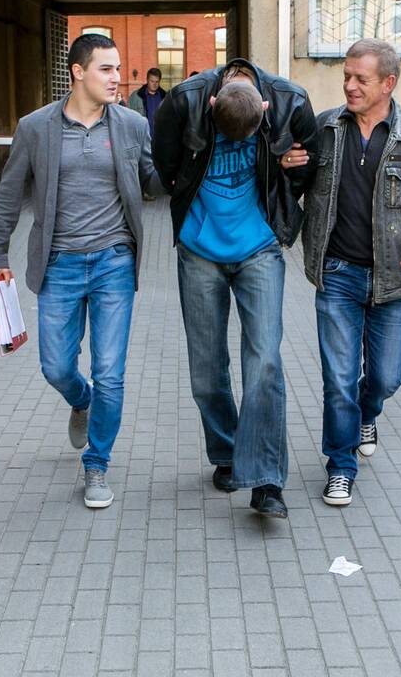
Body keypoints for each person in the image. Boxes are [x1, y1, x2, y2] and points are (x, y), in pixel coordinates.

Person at [0, 33, 160, 510]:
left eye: (118, 68)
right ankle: (81, 400)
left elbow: (154, 179)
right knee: (56, 367)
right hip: (58, 263)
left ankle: (96, 464)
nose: (117, 78)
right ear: (78, 72)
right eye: (106, 69)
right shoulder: (36, 128)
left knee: (111, 373)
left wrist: (192, 155)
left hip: (113, 262)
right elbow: (8, 193)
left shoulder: (132, 125)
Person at [284, 38, 401, 507]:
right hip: (338, 274)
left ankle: (368, 413)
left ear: (388, 83)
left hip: (394, 279)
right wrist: (287, 165)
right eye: (346, 76)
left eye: (360, 78)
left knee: (385, 378)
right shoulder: (324, 129)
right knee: (338, 380)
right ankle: (341, 467)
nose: (349, 86)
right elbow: (293, 186)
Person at [153, 59, 319, 519]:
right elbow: (165, 166)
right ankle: (227, 452)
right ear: (211, 105)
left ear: (264, 109)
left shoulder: (290, 102)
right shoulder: (184, 101)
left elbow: (308, 167)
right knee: (206, 370)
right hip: (199, 250)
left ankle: (265, 479)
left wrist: (281, 173)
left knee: (264, 361)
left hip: (259, 249)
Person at [128, 68, 167, 137]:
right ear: (147, 80)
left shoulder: (165, 97)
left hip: (160, 138)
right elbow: (129, 118)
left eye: (157, 82)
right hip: (142, 138)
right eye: (152, 81)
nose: (154, 84)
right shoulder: (135, 96)